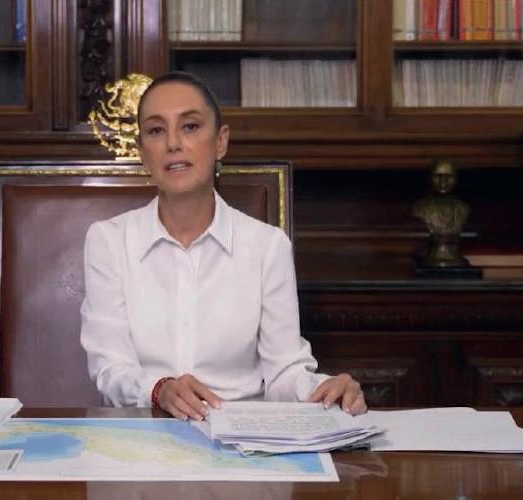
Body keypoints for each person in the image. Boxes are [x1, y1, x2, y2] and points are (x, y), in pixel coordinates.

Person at [80, 71, 366, 421]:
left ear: (220, 142)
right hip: (146, 435)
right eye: (156, 130)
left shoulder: (267, 246)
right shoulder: (108, 242)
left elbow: (284, 373)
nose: (173, 143)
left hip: (242, 439)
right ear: (141, 151)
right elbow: (110, 369)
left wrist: (325, 390)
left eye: (190, 127)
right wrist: (158, 389)